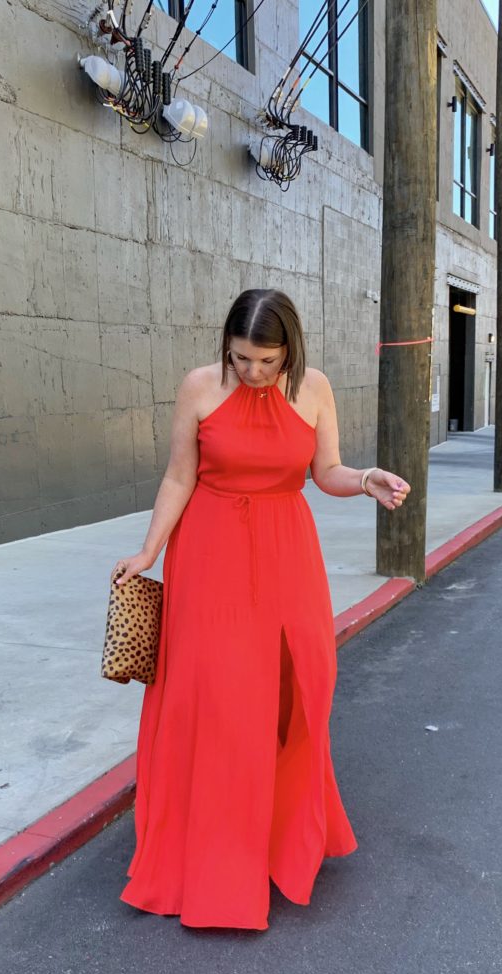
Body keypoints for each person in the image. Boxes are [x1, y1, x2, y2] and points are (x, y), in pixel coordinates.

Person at [113, 289, 410, 930]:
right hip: (209, 554)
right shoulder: (198, 387)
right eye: (242, 358)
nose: (253, 373)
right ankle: (215, 856)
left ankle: (280, 840)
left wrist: (363, 480)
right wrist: (148, 551)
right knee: (217, 699)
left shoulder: (316, 390)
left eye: (267, 361)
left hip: (286, 554)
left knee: (301, 688)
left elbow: (323, 470)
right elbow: (178, 476)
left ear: (290, 352)